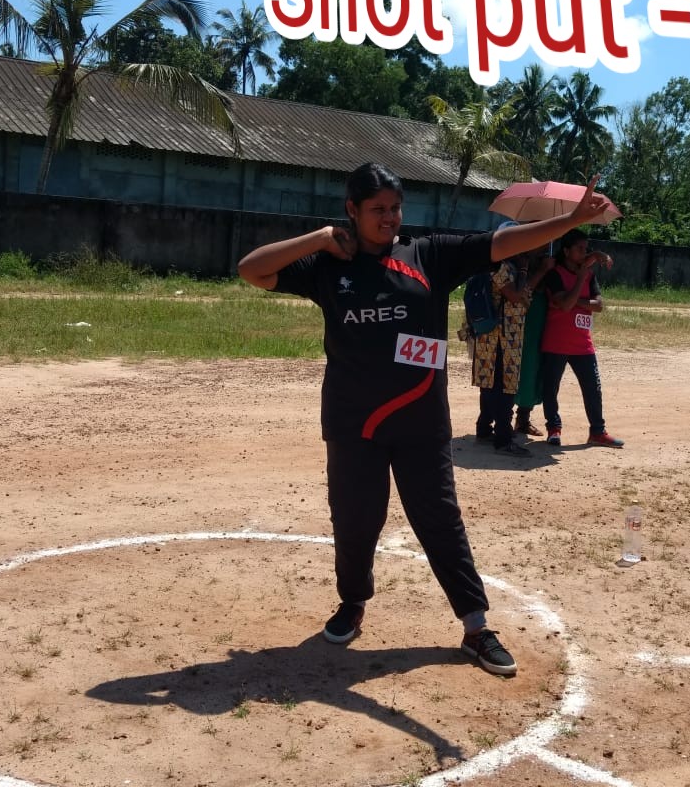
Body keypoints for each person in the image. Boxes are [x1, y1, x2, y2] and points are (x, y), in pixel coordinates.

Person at [237, 164, 609, 676]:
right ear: (351, 210)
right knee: (354, 519)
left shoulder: (427, 254)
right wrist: (320, 238)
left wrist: (568, 222)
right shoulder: (329, 265)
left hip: (420, 420)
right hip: (354, 421)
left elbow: (501, 244)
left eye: (395, 208)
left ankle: (475, 627)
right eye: (377, 209)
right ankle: (352, 603)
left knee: (439, 519)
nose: (389, 218)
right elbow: (251, 269)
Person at [540, 228, 625, 448]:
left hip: (583, 344)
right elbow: (566, 305)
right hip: (556, 342)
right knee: (551, 388)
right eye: (579, 249)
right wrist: (579, 282)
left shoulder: (589, 275)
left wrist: (574, 300)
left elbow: (599, 305)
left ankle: (597, 432)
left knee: (593, 389)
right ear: (566, 251)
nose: (584, 253)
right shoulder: (555, 274)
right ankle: (554, 429)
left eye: (586, 249)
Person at [472, 224, 532, 457]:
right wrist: (524, 270)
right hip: (501, 338)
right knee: (503, 387)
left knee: (490, 383)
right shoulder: (499, 266)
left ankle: (484, 429)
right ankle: (503, 439)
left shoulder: (497, 265)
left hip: (494, 335)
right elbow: (515, 296)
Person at [512, 248, 556, 438]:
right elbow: (522, 293)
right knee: (516, 370)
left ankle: (523, 418)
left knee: (534, 370)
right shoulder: (518, 262)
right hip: (520, 324)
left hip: (541, 324)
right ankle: (500, 420)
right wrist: (542, 270)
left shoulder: (550, 262)